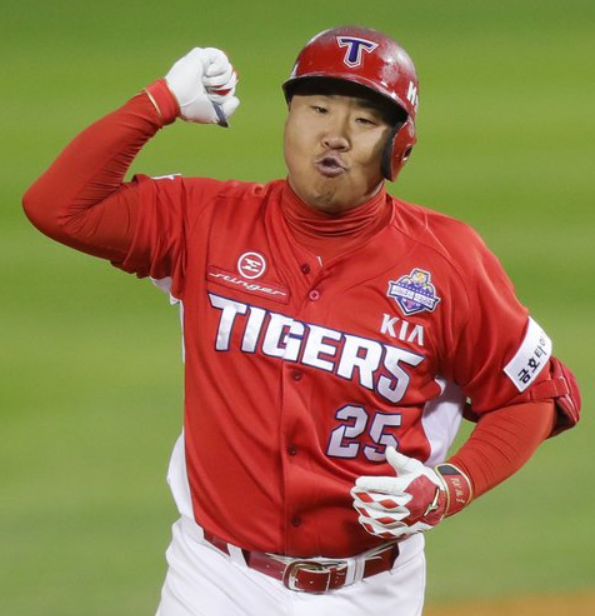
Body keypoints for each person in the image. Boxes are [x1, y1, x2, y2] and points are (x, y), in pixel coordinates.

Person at [23, 25, 581, 616]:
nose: (334, 135)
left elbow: (535, 396)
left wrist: (450, 487)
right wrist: (159, 102)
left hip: (370, 591)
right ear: (288, 120)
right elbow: (58, 207)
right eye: (317, 109)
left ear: (399, 148)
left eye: (364, 121)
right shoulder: (205, 220)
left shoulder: (448, 262)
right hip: (213, 579)